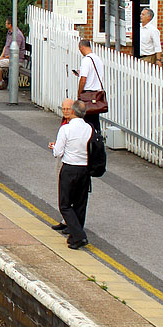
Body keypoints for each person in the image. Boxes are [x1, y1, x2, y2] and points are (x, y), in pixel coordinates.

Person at [49, 98, 92, 249]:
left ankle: (79, 236)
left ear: (73, 111)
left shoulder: (66, 129)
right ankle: (74, 237)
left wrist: (53, 147)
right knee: (80, 203)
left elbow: (58, 152)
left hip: (69, 168)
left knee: (65, 205)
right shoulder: (89, 128)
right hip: (84, 169)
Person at [76, 39, 105, 133]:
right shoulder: (98, 59)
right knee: (95, 119)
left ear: (82, 47)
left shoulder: (86, 60)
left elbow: (83, 79)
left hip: (88, 93)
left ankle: (89, 140)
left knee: (86, 120)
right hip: (97, 93)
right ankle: (97, 138)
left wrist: (79, 94)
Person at [0, 17, 24, 90]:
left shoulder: (17, 35)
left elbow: (16, 52)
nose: (5, 24)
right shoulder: (10, 33)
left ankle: (0, 83)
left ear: (10, 25)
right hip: (6, 57)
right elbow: (6, 46)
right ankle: (1, 81)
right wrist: (1, 56)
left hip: (15, 60)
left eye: (6, 23)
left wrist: (4, 58)